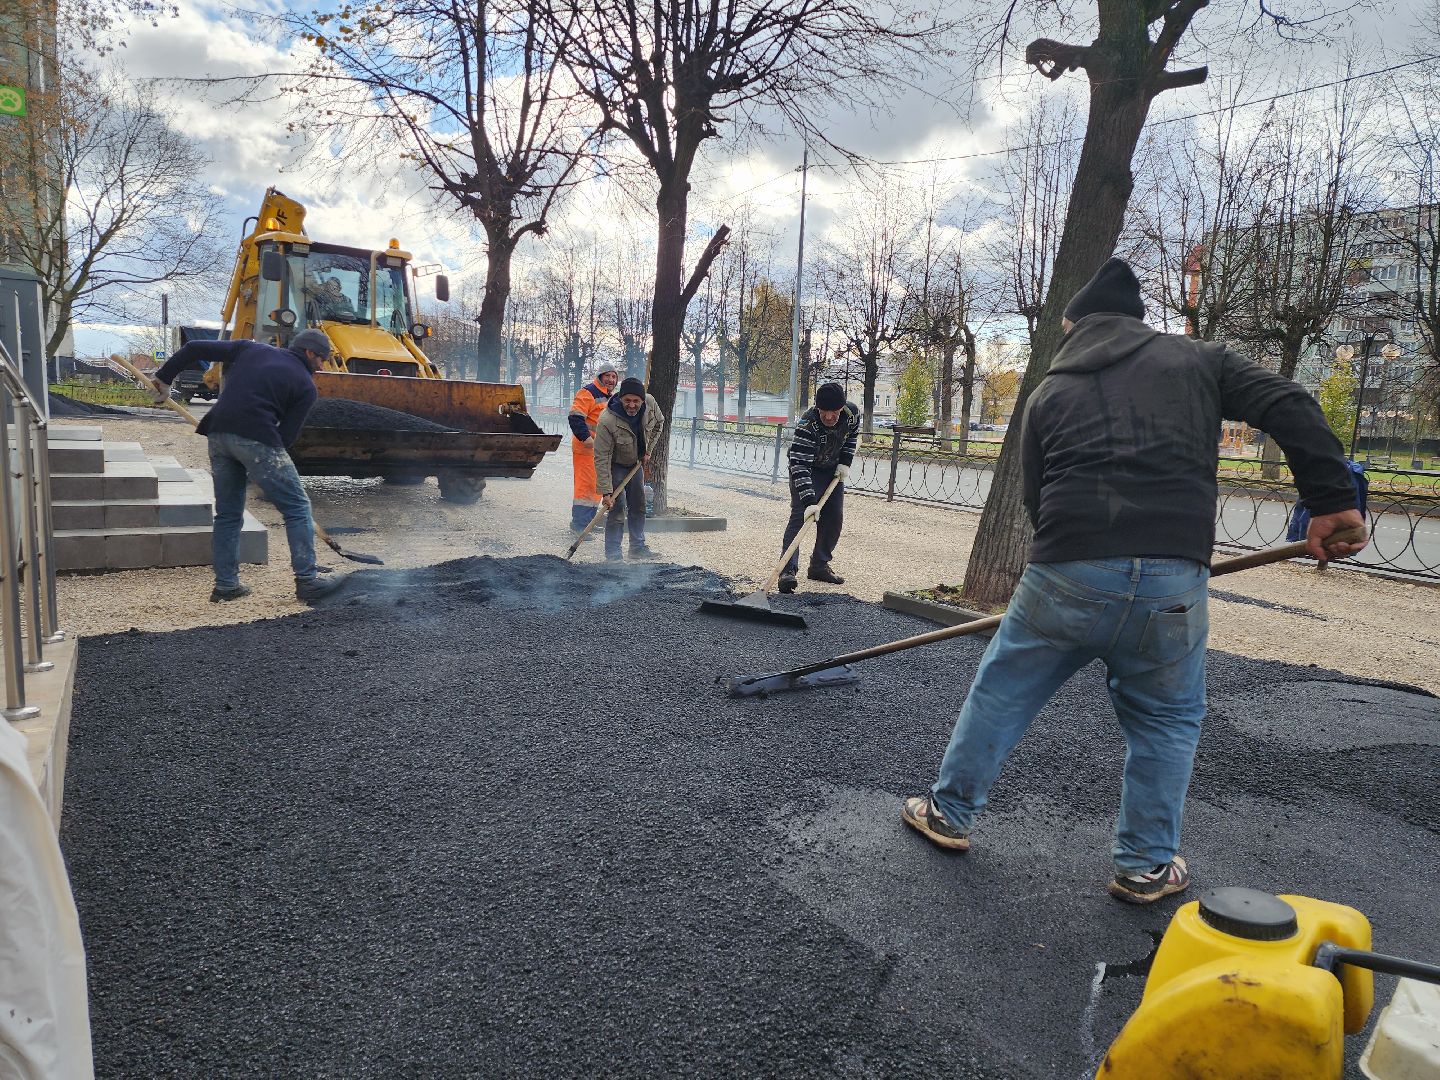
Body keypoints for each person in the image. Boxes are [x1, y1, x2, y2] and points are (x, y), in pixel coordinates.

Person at [901, 257, 1368, 904]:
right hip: (1173, 580)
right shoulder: (1199, 361)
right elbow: (1289, 402)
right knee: (1167, 719)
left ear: (1075, 327)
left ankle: (948, 814)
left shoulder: (1049, 393)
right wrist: (1332, 499)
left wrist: (1073, 562)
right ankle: (1145, 866)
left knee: (1001, 693)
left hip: (1066, 570)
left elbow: (1036, 499)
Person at [151, 328, 349, 604]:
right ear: (309, 352)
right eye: (322, 359)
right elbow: (285, 438)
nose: (322, 366)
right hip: (258, 439)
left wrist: (163, 378)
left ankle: (226, 586)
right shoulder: (306, 386)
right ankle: (308, 581)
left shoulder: (251, 349)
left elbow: (194, 348)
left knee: (228, 514)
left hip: (219, 434)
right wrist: (260, 466)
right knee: (297, 508)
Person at [778, 382, 861, 594]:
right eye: (824, 411)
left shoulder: (851, 414)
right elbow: (799, 466)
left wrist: (845, 463)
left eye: (834, 412)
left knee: (834, 517)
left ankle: (819, 566)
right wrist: (809, 502)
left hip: (832, 469)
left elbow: (851, 437)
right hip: (806, 469)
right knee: (800, 517)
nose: (829, 417)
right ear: (817, 407)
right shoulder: (807, 425)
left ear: (842, 408)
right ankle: (787, 571)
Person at [593, 377, 664, 562]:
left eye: (636, 401)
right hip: (615, 465)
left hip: (635, 464)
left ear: (642, 400)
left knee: (638, 506)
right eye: (627, 400)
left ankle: (637, 548)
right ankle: (613, 554)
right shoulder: (607, 421)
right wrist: (606, 492)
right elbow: (601, 457)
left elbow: (659, 423)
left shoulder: (650, 403)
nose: (632, 405)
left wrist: (648, 451)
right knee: (616, 508)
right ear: (620, 398)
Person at [567, 364, 620, 533]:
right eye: (608, 376)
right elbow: (576, 418)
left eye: (614, 377)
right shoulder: (588, 392)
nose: (611, 379)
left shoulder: (609, 397)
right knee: (586, 487)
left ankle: (588, 522)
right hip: (586, 449)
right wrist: (587, 440)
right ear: (600, 376)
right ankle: (579, 525)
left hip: (599, 450)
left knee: (597, 487)